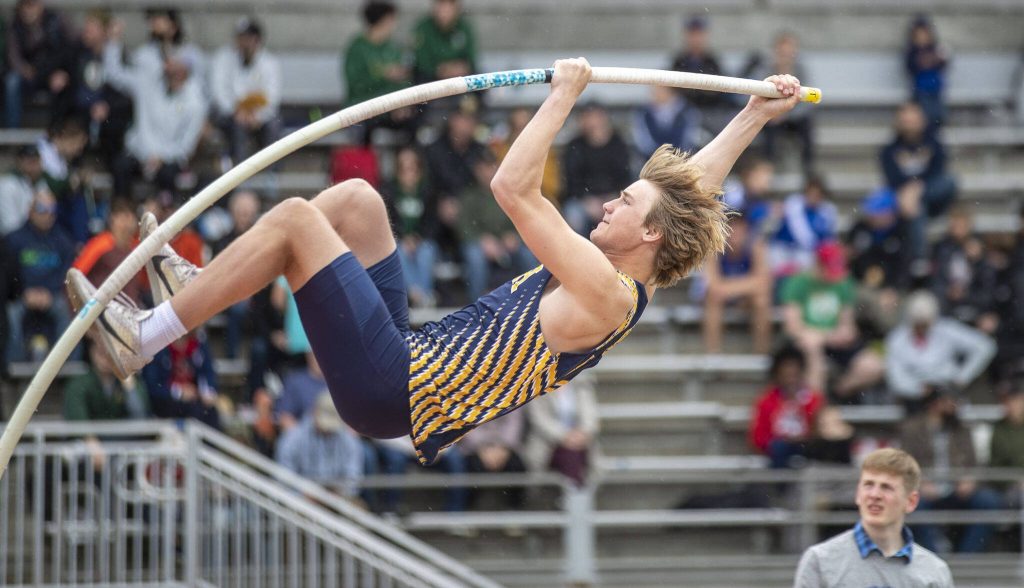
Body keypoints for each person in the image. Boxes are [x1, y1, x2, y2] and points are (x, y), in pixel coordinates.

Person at [68, 60, 803, 466]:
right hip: (408, 354)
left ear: (646, 242)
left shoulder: (606, 293)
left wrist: (561, 100)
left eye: (623, 205)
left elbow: (512, 188)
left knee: (294, 220)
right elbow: (686, 195)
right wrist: (751, 116)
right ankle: (197, 289)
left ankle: (149, 335)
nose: (609, 204)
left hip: (397, 390)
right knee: (357, 201)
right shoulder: (631, 259)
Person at [793, 448, 953, 587]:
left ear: (911, 501)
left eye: (886, 487)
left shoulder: (935, 572)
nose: (874, 495)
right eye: (868, 484)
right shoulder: (820, 561)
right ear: (857, 494)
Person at [104, 20, 208, 202]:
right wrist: (113, 42)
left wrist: (161, 157)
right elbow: (115, 74)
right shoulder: (147, 82)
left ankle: (166, 217)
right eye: (170, 65)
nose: (173, 70)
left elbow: (185, 146)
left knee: (168, 176)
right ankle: (122, 212)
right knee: (120, 166)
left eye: (178, 66)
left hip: (168, 159)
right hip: (140, 154)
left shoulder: (195, 102)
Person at [900, 389, 1002, 553]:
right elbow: (905, 462)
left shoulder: (962, 429)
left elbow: (974, 463)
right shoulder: (912, 428)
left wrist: (970, 480)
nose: (955, 406)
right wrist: (921, 482)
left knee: (988, 501)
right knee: (914, 504)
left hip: (958, 489)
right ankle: (933, 557)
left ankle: (967, 557)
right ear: (935, 403)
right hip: (925, 489)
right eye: (950, 401)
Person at [781, 242, 885, 401]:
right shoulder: (798, 283)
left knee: (874, 366)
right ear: (818, 264)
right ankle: (815, 407)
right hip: (808, 344)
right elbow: (792, 327)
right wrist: (822, 336)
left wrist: (826, 336)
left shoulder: (843, 283)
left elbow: (848, 326)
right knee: (812, 350)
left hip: (833, 342)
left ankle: (838, 391)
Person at [885, 290, 996, 409]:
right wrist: (918, 390)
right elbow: (895, 376)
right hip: (913, 400)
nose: (922, 328)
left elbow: (985, 346)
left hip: (948, 391)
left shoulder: (947, 329)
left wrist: (963, 377)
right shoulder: (897, 338)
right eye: (918, 324)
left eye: (925, 324)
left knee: (951, 403)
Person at [879, 102, 957, 259]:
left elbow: (938, 172)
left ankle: (918, 260)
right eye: (905, 121)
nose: (909, 125)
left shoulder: (934, 143)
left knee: (950, 182)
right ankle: (919, 260)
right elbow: (892, 179)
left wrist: (917, 189)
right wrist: (910, 191)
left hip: (930, 195)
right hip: (905, 201)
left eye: (913, 120)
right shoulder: (889, 150)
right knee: (917, 209)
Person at [5, 191, 74, 360]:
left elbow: (66, 274)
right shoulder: (13, 239)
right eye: (42, 208)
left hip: (52, 296)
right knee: (11, 314)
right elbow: (9, 274)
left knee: (68, 312)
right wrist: (24, 292)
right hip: (21, 296)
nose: (48, 214)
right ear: (30, 210)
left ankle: (65, 364)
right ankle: (14, 365)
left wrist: (49, 293)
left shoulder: (64, 241)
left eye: (52, 209)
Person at [211, 17, 281, 167]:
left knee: (274, 126)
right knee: (237, 129)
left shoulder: (269, 63)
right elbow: (220, 93)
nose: (244, 43)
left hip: (258, 117)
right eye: (241, 38)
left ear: (258, 40)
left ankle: (271, 175)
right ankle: (240, 175)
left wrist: (258, 116)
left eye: (248, 38)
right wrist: (236, 112)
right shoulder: (224, 58)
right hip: (231, 116)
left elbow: (272, 97)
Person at [344, 1, 415, 144]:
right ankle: (366, 164)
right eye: (392, 20)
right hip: (363, 107)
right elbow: (355, 83)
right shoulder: (357, 48)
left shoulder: (393, 48)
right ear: (383, 21)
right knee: (365, 129)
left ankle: (406, 164)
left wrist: (402, 102)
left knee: (414, 122)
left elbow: (403, 80)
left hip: (390, 109)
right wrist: (383, 76)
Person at [701, 215, 772, 354]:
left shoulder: (756, 247)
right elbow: (713, 287)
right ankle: (713, 353)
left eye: (739, 228)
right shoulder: (714, 249)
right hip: (724, 298)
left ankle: (762, 353)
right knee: (711, 300)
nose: (735, 233)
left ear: (746, 230)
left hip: (744, 298)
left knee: (762, 301)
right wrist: (748, 285)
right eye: (731, 228)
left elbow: (764, 282)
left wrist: (729, 288)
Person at [561, 102, 633, 235]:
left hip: (614, 197)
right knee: (574, 217)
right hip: (583, 201)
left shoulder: (618, 144)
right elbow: (570, 181)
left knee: (628, 217)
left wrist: (613, 198)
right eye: (588, 118)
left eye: (596, 118)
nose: (593, 123)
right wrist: (587, 201)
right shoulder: (575, 146)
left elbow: (625, 177)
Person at [275, 392, 365, 498]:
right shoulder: (292, 439)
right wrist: (303, 494)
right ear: (314, 412)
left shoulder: (349, 441)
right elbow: (284, 480)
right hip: (300, 502)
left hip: (338, 500)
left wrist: (339, 492)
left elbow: (353, 479)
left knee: (358, 506)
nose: (327, 430)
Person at [747, 32, 814, 172]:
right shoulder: (765, 69)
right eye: (782, 52)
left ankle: (808, 169)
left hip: (793, 117)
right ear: (776, 51)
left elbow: (808, 101)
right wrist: (773, 112)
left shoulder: (801, 69)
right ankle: (767, 168)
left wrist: (786, 114)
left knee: (807, 125)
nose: (785, 56)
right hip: (772, 115)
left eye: (789, 52)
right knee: (767, 128)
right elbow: (757, 90)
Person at [749, 346, 824, 468]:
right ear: (777, 375)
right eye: (787, 375)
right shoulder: (766, 402)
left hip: (806, 445)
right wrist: (783, 439)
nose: (791, 380)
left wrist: (805, 437)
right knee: (779, 448)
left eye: (794, 375)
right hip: (779, 448)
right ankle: (781, 486)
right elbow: (758, 438)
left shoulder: (813, 399)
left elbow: (819, 430)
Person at [5, 0, 73, 128]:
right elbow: (12, 55)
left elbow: (70, 48)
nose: (28, 10)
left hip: (52, 72)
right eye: (25, 6)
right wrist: (24, 70)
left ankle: (58, 132)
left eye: (32, 5)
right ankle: (13, 132)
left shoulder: (56, 20)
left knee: (63, 84)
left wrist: (64, 72)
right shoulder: (15, 24)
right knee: (11, 81)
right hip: (28, 75)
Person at [524, 374, 599, 486]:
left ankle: (575, 495)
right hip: (548, 441)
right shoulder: (537, 382)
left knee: (575, 455)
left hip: (579, 440)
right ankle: (575, 494)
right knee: (570, 456)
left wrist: (583, 433)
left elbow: (590, 414)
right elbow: (539, 419)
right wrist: (565, 436)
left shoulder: (580, 382)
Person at [141, 330, 221, 430]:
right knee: (193, 411)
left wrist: (207, 392)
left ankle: (211, 445)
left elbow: (207, 372)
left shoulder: (199, 344)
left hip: (194, 398)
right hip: (166, 402)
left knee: (210, 411)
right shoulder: (158, 346)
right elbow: (152, 385)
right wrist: (178, 391)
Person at [767, 174, 837, 280]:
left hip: (806, 253)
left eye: (817, 194)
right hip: (782, 249)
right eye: (810, 194)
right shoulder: (794, 204)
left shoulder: (827, 210)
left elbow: (829, 238)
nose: (813, 197)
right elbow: (802, 235)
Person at [669, 15, 729, 125]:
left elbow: (717, 91)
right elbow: (674, 91)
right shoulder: (678, 61)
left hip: (710, 112)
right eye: (692, 34)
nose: (696, 38)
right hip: (683, 113)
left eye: (699, 34)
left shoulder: (712, 61)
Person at [411, 0, 477, 85]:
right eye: (441, 8)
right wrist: (440, 70)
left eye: (448, 10)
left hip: (460, 76)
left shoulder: (464, 28)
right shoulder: (423, 28)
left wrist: (459, 68)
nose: (443, 14)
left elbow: (471, 56)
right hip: (430, 77)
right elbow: (421, 60)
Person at [632, 85, 702, 159]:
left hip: (681, 161)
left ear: (670, 89)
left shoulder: (687, 111)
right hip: (653, 161)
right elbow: (644, 143)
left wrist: (674, 156)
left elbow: (688, 140)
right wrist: (660, 158)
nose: (654, 92)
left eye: (659, 88)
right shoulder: (644, 113)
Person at [905, 15, 948, 129]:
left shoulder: (935, 49)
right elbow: (909, 67)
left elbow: (943, 64)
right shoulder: (912, 51)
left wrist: (936, 60)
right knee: (924, 112)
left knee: (937, 112)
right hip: (921, 89)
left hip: (935, 88)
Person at [0, 145, 48, 237]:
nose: (32, 166)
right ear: (19, 162)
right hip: (10, 240)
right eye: (29, 161)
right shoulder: (8, 184)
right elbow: (10, 226)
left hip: (37, 237)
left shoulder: (41, 184)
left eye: (35, 161)